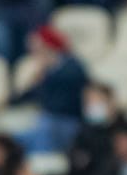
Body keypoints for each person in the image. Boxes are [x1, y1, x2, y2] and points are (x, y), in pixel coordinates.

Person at [13, 24, 89, 154]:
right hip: (48, 120)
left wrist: (45, 76)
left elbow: (65, 102)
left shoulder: (72, 67)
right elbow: (25, 96)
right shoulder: (47, 70)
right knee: (10, 140)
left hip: (67, 122)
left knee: (46, 128)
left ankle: (43, 166)